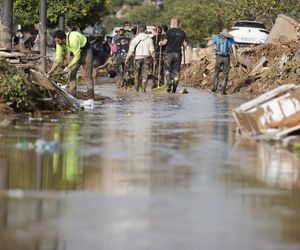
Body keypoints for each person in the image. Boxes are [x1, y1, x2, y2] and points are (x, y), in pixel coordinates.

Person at [47, 30, 94, 97]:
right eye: (56, 41)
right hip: (74, 51)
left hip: (85, 50)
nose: (57, 43)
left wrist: (68, 67)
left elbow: (77, 56)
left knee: (88, 74)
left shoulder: (73, 40)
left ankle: (90, 95)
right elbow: (57, 59)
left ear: (63, 39)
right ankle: (72, 95)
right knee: (72, 73)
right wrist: (50, 72)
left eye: (58, 41)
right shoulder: (59, 44)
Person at [125, 25, 156, 92]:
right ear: (145, 30)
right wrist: (154, 59)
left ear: (138, 30)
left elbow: (130, 50)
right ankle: (143, 89)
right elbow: (152, 51)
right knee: (145, 74)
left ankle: (136, 90)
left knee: (136, 74)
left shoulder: (135, 39)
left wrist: (127, 59)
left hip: (137, 58)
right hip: (146, 58)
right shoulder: (149, 39)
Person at [159, 18, 187, 93]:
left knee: (167, 70)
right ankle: (174, 90)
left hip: (169, 53)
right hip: (178, 54)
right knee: (176, 72)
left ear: (173, 23)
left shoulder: (169, 32)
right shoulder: (182, 32)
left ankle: (169, 82)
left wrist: (160, 43)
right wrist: (184, 45)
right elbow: (185, 44)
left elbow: (165, 42)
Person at [207, 28, 237, 95]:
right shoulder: (231, 39)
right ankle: (223, 90)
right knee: (225, 73)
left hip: (218, 58)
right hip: (226, 58)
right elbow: (234, 50)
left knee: (216, 73)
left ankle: (214, 88)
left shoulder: (217, 37)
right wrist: (235, 59)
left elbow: (208, 44)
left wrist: (212, 38)